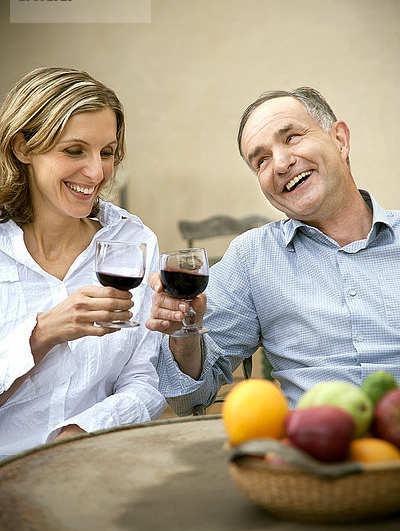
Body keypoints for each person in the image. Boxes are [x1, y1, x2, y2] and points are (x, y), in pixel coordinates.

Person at [146, 87, 400, 415]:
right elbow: (189, 397)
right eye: (261, 160)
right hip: (314, 455)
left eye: (292, 137)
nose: (280, 163)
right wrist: (183, 329)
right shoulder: (252, 258)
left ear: (340, 140)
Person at [0, 67, 166, 459]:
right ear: (23, 147)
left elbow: (145, 380)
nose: (96, 173)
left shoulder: (134, 243)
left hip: (92, 460)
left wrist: (76, 433)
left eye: (107, 153)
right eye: (74, 150)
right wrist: (41, 334)